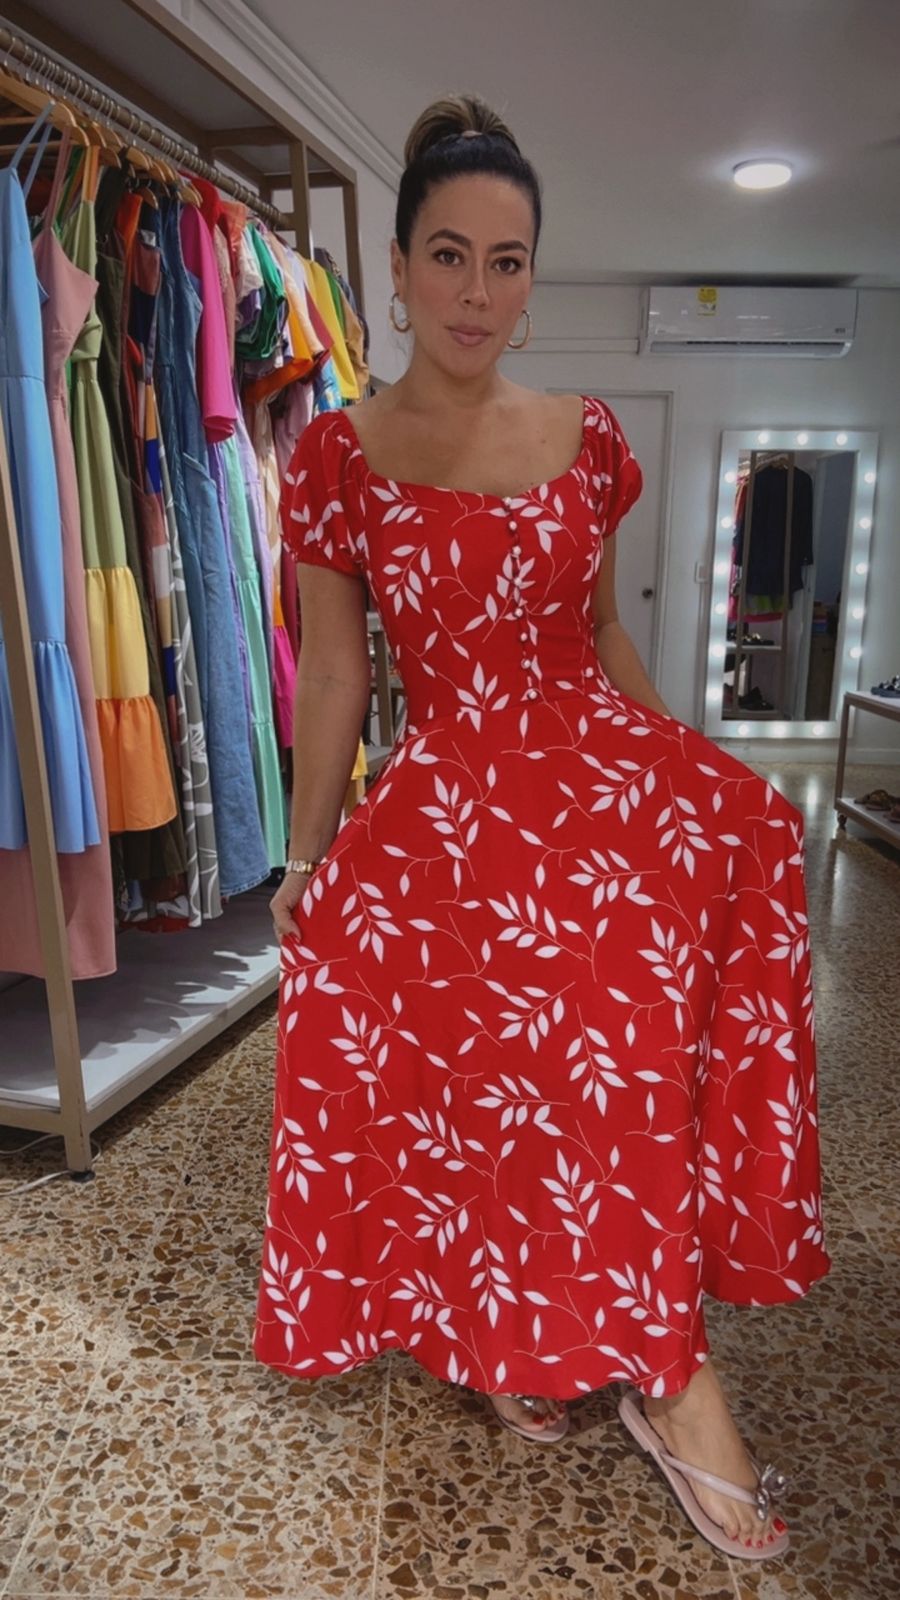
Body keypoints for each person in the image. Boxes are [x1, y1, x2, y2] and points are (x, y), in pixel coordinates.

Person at [254, 92, 831, 1564]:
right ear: (396, 269)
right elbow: (339, 674)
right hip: (450, 798)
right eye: (448, 256)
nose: (477, 291)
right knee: (485, 1068)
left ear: (532, 279)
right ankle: (514, 1320)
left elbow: (602, 635)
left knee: (617, 1030)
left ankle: (670, 1374)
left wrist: (687, 775)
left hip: (588, 769)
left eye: (506, 263)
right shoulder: (338, 455)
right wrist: (305, 859)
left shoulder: (585, 437)